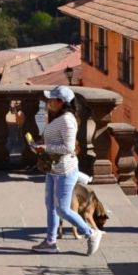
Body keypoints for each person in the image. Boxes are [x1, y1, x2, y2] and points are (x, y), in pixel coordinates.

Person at [29, 85, 103, 256]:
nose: (48, 102)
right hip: (54, 169)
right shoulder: (59, 117)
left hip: (64, 170)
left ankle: (91, 233)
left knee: (62, 209)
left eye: (51, 99)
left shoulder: (67, 120)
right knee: (51, 206)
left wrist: (46, 147)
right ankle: (50, 242)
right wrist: (39, 144)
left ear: (60, 102)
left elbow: (69, 147)